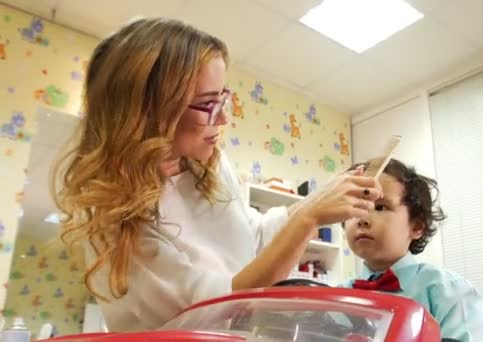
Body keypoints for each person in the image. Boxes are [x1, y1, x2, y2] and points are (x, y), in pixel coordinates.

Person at [52, 18, 382, 332]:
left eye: (224, 98)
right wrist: (307, 218)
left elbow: (253, 238)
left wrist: (319, 201)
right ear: (149, 112)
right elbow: (217, 307)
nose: (223, 118)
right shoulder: (114, 218)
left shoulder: (207, 165)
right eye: (208, 104)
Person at [341, 159, 483, 341]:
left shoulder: (450, 292)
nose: (362, 218)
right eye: (355, 208)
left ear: (417, 226)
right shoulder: (336, 298)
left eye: (380, 207)